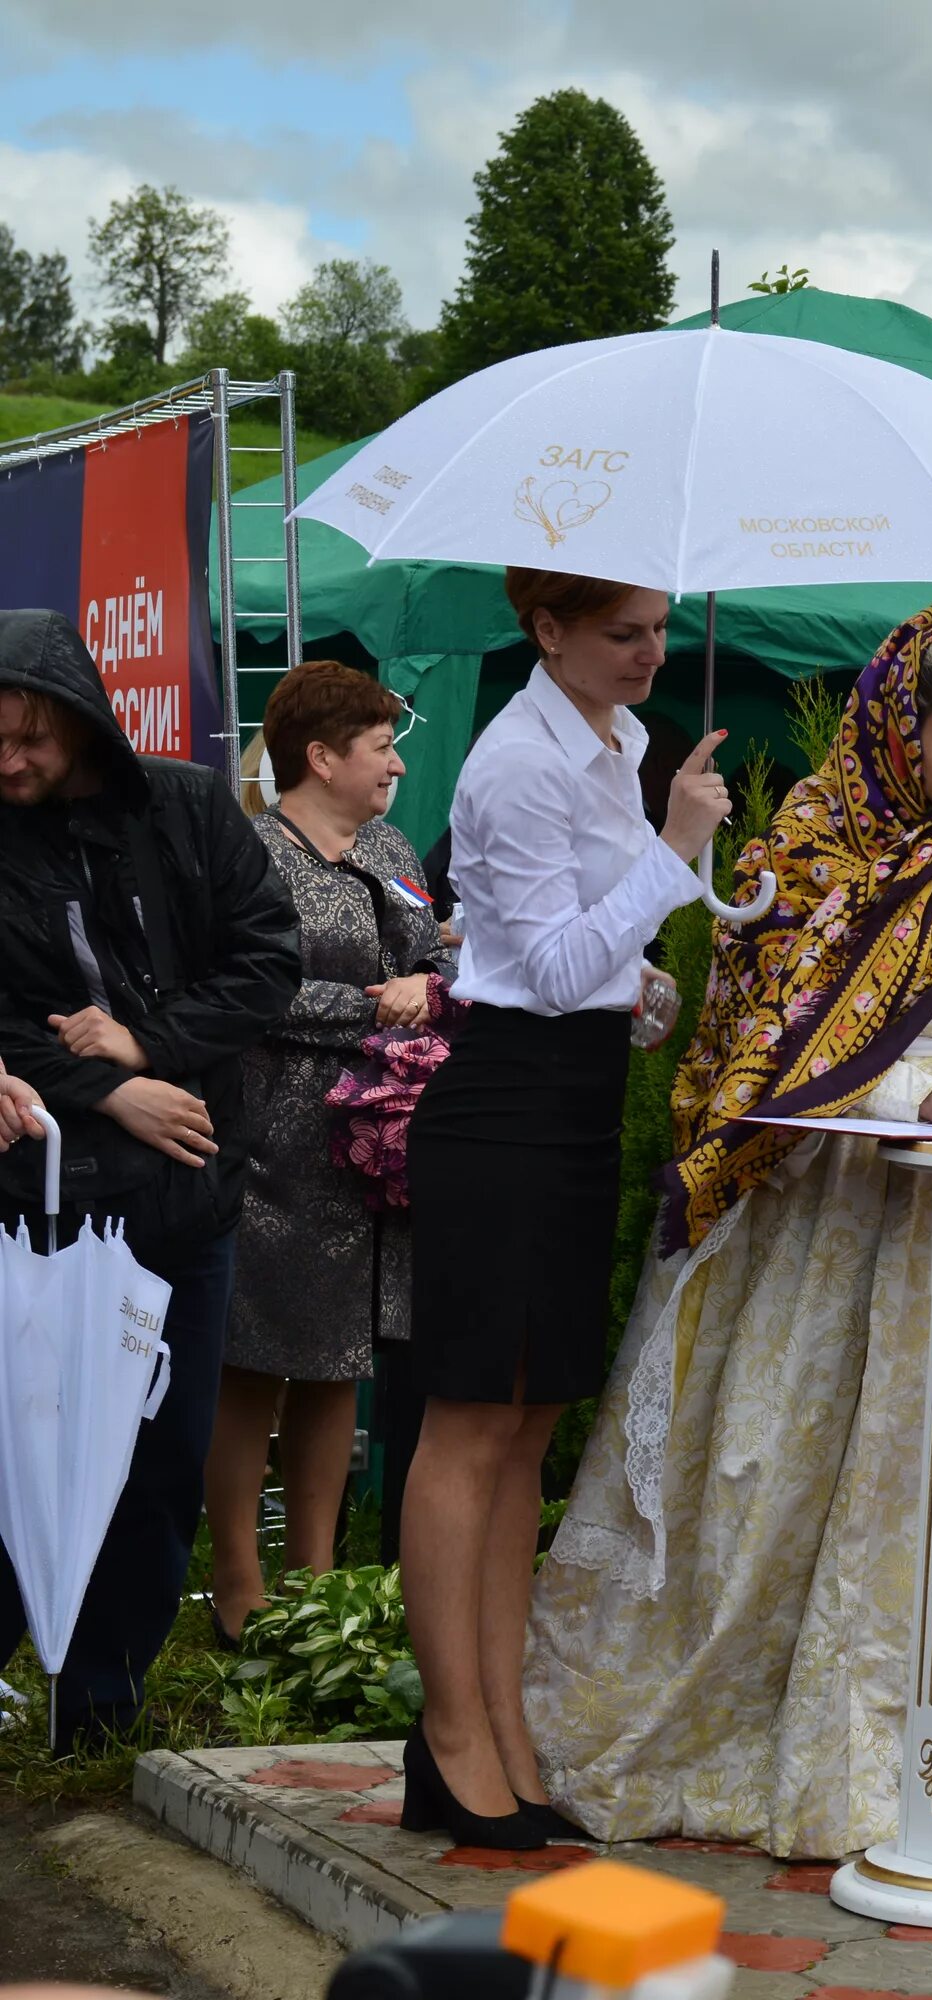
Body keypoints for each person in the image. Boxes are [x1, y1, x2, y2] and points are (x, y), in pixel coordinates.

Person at [523, 608, 932, 1855]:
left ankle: (866, 1766)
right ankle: (715, 1738)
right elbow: (763, 1043)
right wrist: (912, 1089)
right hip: (813, 1220)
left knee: (900, 1504)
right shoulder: (810, 847)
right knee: (764, 1478)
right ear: (899, 728)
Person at [397, 569, 731, 1848]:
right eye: (620, 633)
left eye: (656, 630)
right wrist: (676, 849)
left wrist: (641, 982)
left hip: (580, 1097)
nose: (649, 653)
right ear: (547, 631)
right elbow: (534, 967)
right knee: (471, 1421)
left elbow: (583, 949)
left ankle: (502, 1719)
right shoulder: (517, 761)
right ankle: (451, 1734)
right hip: (504, 1107)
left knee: (528, 1425)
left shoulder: (623, 738)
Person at [0, 608, 300, 1749]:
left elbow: (264, 956)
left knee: (160, 1460)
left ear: (79, 719)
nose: (12, 763)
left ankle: (100, 1721)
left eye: (30, 738)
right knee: (16, 1450)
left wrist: (150, 1042)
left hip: (179, 1202)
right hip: (29, 1211)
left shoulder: (181, 805)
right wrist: (104, 1088)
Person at [211, 663, 452, 1641]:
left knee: (335, 1363)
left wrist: (430, 988)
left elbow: (434, 954)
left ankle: (313, 1585)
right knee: (253, 1368)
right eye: (380, 744)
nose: (396, 761)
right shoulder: (254, 853)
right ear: (321, 755)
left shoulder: (392, 844)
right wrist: (367, 1005)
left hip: (378, 1146)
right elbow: (244, 991)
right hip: (279, 1143)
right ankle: (237, 1582)